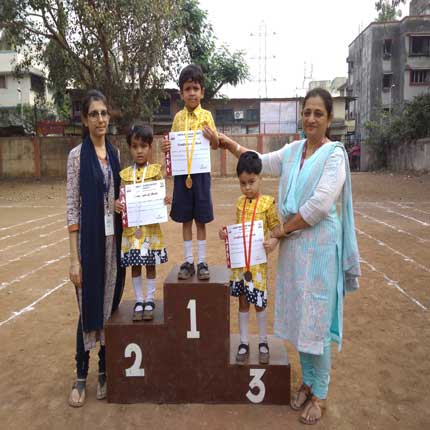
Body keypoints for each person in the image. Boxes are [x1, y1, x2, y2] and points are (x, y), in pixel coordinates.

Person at [218, 88, 360, 425]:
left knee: (317, 320)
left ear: (329, 119)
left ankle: (321, 394)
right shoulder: (295, 151)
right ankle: (308, 382)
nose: (311, 119)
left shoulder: (335, 156)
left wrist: (280, 231)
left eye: (318, 114)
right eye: (307, 112)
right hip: (296, 250)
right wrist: (227, 143)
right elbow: (260, 161)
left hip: (320, 248)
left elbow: (319, 206)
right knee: (300, 316)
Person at [66, 89, 125, 407]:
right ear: (85, 119)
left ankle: (104, 370)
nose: (100, 119)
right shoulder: (76, 157)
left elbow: (118, 198)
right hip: (89, 245)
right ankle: (81, 374)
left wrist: (122, 204)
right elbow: (72, 208)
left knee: (109, 305)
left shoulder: (115, 154)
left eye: (104, 113)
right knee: (87, 305)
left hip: (114, 243)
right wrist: (73, 258)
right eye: (94, 114)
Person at [219, 152, 280, 365]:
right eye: (243, 183)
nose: (247, 187)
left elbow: (276, 228)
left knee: (259, 304)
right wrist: (226, 234)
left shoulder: (268, 203)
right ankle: (244, 342)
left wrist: (273, 241)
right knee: (243, 302)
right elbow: (238, 231)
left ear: (260, 177)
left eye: (251, 182)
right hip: (240, 266)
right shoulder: (239, 203)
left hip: (257, 266)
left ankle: (263, 341)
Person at [161, 64, 219, 281]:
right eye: (187, 89)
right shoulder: (177, 118)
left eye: (195, 88)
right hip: (182, 175)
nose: (192, 93)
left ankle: (202, 261)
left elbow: (214, 145)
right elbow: (172, 145)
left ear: (202, 91)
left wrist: (213, 138)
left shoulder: (207, 117)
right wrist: (165, 147)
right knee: (186, 219)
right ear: (182, 93)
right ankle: (188, 261)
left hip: (201, 176)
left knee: (201, 219)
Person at [114, 125, 169, 321]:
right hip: (132, 230)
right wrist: (117, 204)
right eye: (135, 146)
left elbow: (161, 193)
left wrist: (165, 200)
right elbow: (120, 196)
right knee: (135, 266)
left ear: (150, 147)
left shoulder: (155, 172)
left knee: (150, 265)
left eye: (143, 146)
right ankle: (139, 300)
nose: (139, 150)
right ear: (129, 148)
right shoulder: (124, 175)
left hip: (151, 229)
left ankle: (150, 299)